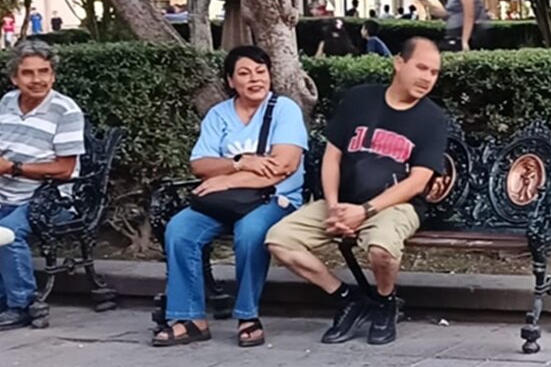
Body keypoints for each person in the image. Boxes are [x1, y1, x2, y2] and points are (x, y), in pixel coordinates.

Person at [266, 37, 449, 346]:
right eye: (421, 68)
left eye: (433, 72)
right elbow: (332, 156)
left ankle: (385, 301)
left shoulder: (432, 119)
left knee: (381, 249)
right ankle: (348, 298)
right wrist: (336, 206)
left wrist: (364, 212)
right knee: (279, 240)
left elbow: (417, 182)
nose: (427, 78)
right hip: (343, 202)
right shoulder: (359, 100)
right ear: (398, 63)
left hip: (395, 207)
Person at [153, 46, 308, 347]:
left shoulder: (284, 110)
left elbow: (283, 167)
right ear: (230, 80)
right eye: (245, 73)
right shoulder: (219, 114)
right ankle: (190, 318)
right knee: (180, 229)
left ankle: (248, 315)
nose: (255, 79)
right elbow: (199, 164)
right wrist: (240, 162)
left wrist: (225, 180)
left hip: (274, 198)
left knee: (250, 232)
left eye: (261, 71)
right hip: (224, 202)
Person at [0, 41, 87, 330]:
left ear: (53, 75)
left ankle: (23, 304)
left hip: (50, 199)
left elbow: (64, 169)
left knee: (7, 234)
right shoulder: (6, 103)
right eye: (28, 73)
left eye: (44, 72)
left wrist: (13, 168)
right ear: (15, 78)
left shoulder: (65, 111)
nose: (37, 80)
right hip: (5, 193)